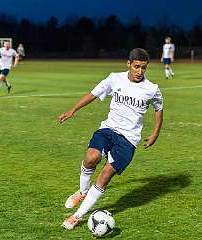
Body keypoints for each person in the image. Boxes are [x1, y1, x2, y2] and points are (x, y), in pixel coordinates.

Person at [58, 48, 164, 230]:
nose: (140, 71)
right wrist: (73, 110)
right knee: (91, 158)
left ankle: (77, 216)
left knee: (105, 175)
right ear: (128, 64)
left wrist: (155, 133)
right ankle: (82, 192)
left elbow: (159, 109)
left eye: (144, 68)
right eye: (136, 66)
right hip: (108, 128)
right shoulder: (114, 78)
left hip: (129, 139)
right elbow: (93, 94)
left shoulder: (152, 89)